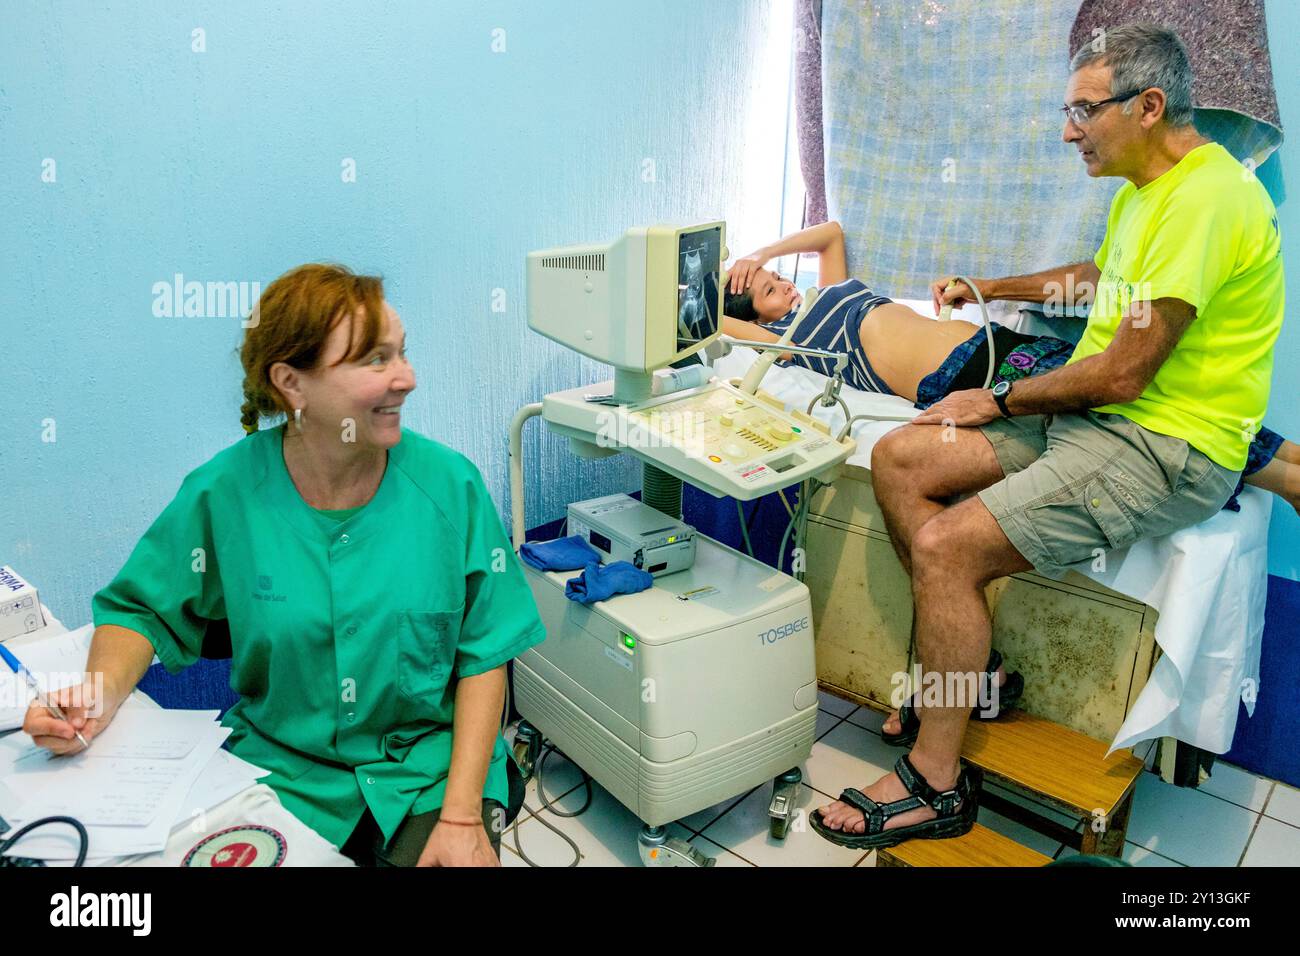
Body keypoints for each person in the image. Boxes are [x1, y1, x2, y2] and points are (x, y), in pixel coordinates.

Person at [802, 22, 1285, 849]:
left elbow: (1126, 372)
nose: (1069, 130)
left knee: (950, 547)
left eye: (1083, 111)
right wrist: (993, 284)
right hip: (1097, 421)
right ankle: (971, 674)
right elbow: (1100, 281)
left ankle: (934, 782)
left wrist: (1001, 398)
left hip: (1163, 447)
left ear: (1149, 105)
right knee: (901, 456)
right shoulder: (1147, 194)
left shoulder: (1210, 200)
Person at [23, 263, 547, 867]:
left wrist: (459, 818)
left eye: (402, 354)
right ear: (291, 384)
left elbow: (486, 654)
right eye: (375, 360)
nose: (407, 379)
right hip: (280, 771)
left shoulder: (449, 488)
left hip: (429, 774)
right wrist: (95, 697)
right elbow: (141, 611)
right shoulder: (226, 494)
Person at [723, 231, 1298, 518]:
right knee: (1117, 405)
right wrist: (733, 280)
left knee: (1129, 389)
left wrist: (761, 255)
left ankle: (1289, 462)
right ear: (758, 316)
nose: (785, 286)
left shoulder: (830, 289)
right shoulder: (789, 344)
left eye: (780, 277)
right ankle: (1289, 479)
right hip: (951, 375)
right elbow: (715, 325)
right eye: (771, 291)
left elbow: (830, 231)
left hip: (991, 343)